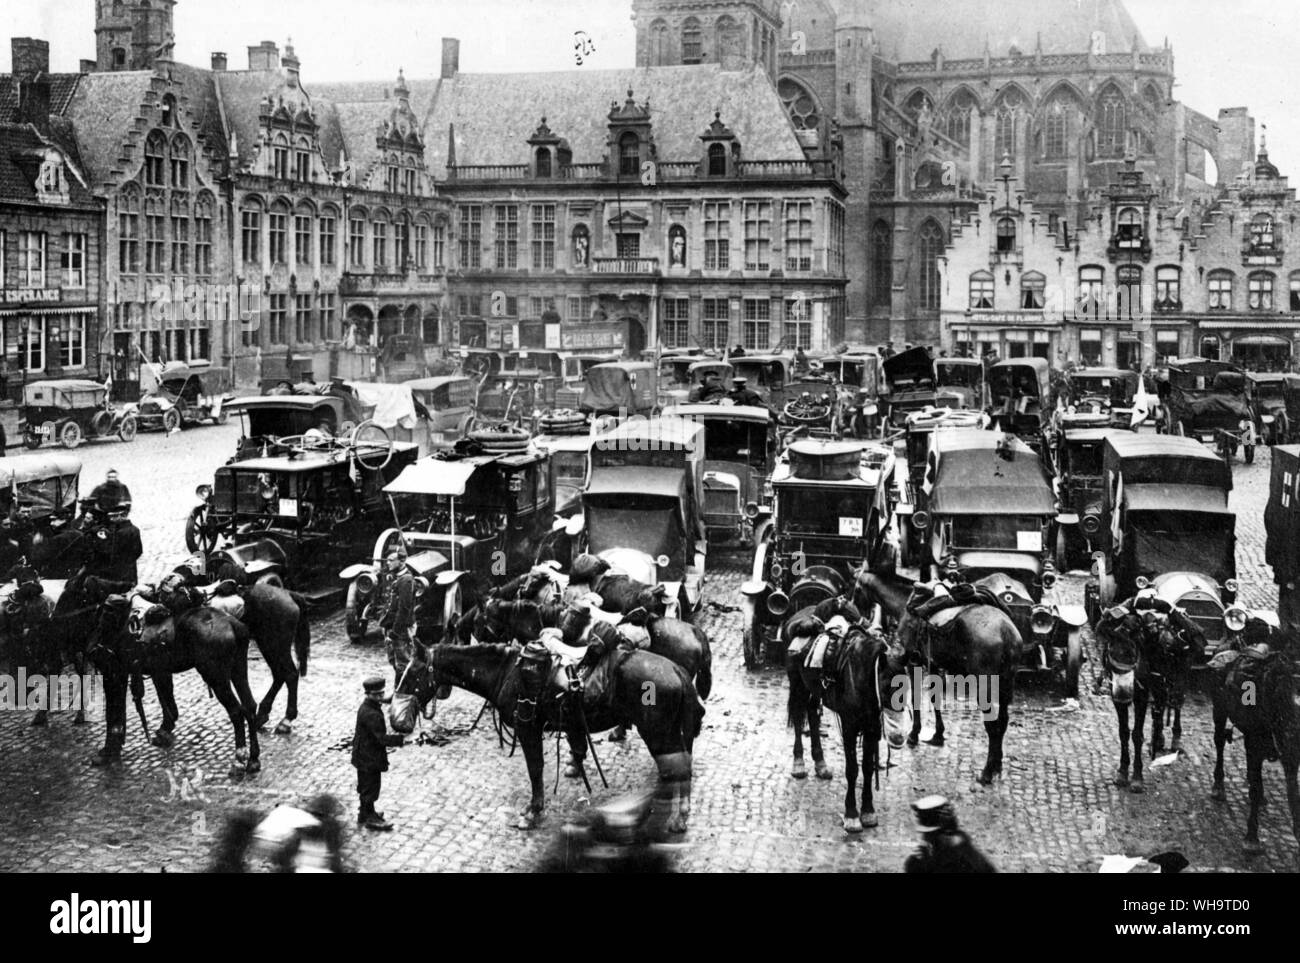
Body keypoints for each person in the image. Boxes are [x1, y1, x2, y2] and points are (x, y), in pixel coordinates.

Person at [352, 676, 404, 831]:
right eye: (378, 695)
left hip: (363, 755)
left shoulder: (367, 707)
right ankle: (370, 818)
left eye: (381, 694)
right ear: (369, 694)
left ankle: (365, 812)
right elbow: (381, 739)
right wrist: (401, 740)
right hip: (369, 757)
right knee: (371, 787)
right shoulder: (371, 714)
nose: (381, 698)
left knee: (365, 785)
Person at [904, 795, 996, 873]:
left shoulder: (959, 854)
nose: (925, 839)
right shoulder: (938, 850)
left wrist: (925, 863)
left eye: (929, 834)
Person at [379, 549, 417, 675]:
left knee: (404, 665)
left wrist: (394, 633)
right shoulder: (398, 577)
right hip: (393, 628)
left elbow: (404, 610)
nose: (388, 563)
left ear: (401, 561)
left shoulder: (406, 580)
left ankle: (404, 692)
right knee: (394, 662)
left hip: (401, 630)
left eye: (391, 560)